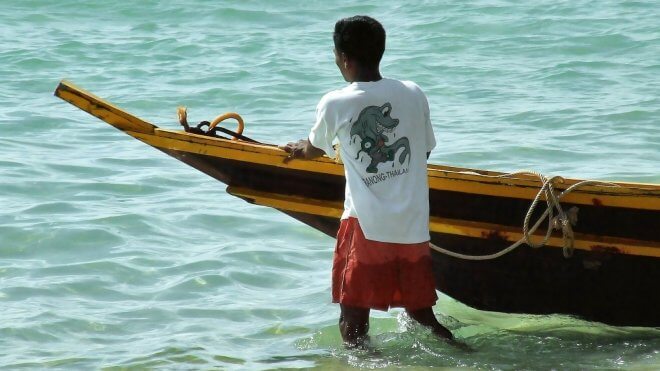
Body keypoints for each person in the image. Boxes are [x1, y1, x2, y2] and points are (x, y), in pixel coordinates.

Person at [279, 15, 453, 347]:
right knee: (422, 316)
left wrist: (301, 149)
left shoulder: (336, 101)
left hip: (366, 227)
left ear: (343, 58)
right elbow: (423, 151)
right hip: (412, 227)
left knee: (353, 322)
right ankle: (466, 354)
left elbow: (314, 149)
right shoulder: (414, 93)